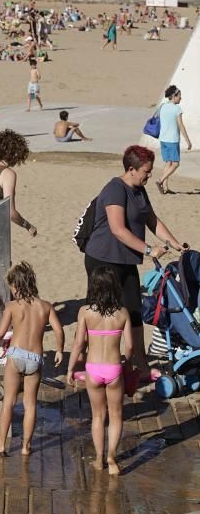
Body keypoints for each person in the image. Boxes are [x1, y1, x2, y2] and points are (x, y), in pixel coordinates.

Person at [84, 145, 189, 382]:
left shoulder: (140, 190)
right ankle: (95, 362)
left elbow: (152, 219)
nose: (149, 175)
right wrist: (149, 249)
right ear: (131, 169)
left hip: (126, 259)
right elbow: (118, 229)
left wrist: (173, 243)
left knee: (133, 310)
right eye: (146, 171)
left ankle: (140, 364)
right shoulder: (114, 189)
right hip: (103, 259)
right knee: (101, 313)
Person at [0, 261, 64, 455]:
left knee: (9, 402)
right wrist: (60, 350)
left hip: (16, 355)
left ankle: (2, 444)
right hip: (35, 358)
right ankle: (26, 447)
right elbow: (58, 330)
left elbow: (1, 332)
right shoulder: (45, 307)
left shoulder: (12, 306)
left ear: (15, 287)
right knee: (30, 404)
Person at [67, 267, 133, 475]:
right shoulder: (122, 313)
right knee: (116, 415)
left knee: (97, 416)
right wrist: (128, 364)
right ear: (115, 287)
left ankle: (98, 458)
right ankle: (112, 458)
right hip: (114, 368)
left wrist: (70, 368)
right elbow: (130, 346)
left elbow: (79, 344)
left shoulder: (85, 312)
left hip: (93, 369)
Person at [156, 85, 192, 195]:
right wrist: (188, 140)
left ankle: (165, 188)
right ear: (174, 96)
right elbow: (181, 125)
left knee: (168, 162)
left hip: (163, 139)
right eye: (179, 96)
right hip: (172, 140)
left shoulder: (162, 106)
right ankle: (160, 180)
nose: (181, 98)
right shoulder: (177, 109)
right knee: (176, 164)